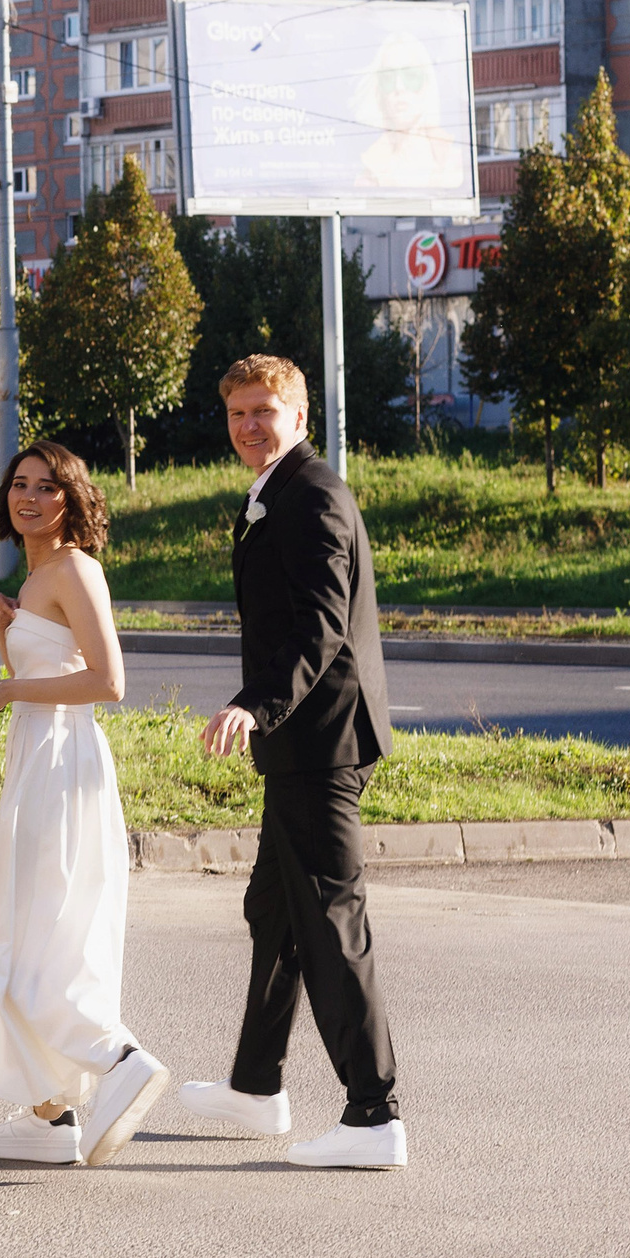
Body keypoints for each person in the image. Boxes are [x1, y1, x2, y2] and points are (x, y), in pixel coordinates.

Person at [182, 355, 406, 1169]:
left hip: (320, 742)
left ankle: (373, 1114)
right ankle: (255, 1089)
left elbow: (320, 630)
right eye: (238, 412)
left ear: (300, 416)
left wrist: (257, 705)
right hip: (302, 745)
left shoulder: (310, 497)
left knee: (330, 923)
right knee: (274, 914)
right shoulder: (278, 492)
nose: (249, 426)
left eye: (264, 411)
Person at [0, 441, 170, 1167]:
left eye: (48, 487)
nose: (29, 497)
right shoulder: (39, 573)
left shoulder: (75, 568)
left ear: (72, 500)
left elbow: (107, 682)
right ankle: (51, 1117)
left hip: (62, 758)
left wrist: (9, 688)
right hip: (38, 755)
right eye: (20, 484)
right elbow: (43, 669)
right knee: (32, 923)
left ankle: (115, 1058)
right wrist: (4, 628)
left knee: (37, 929)